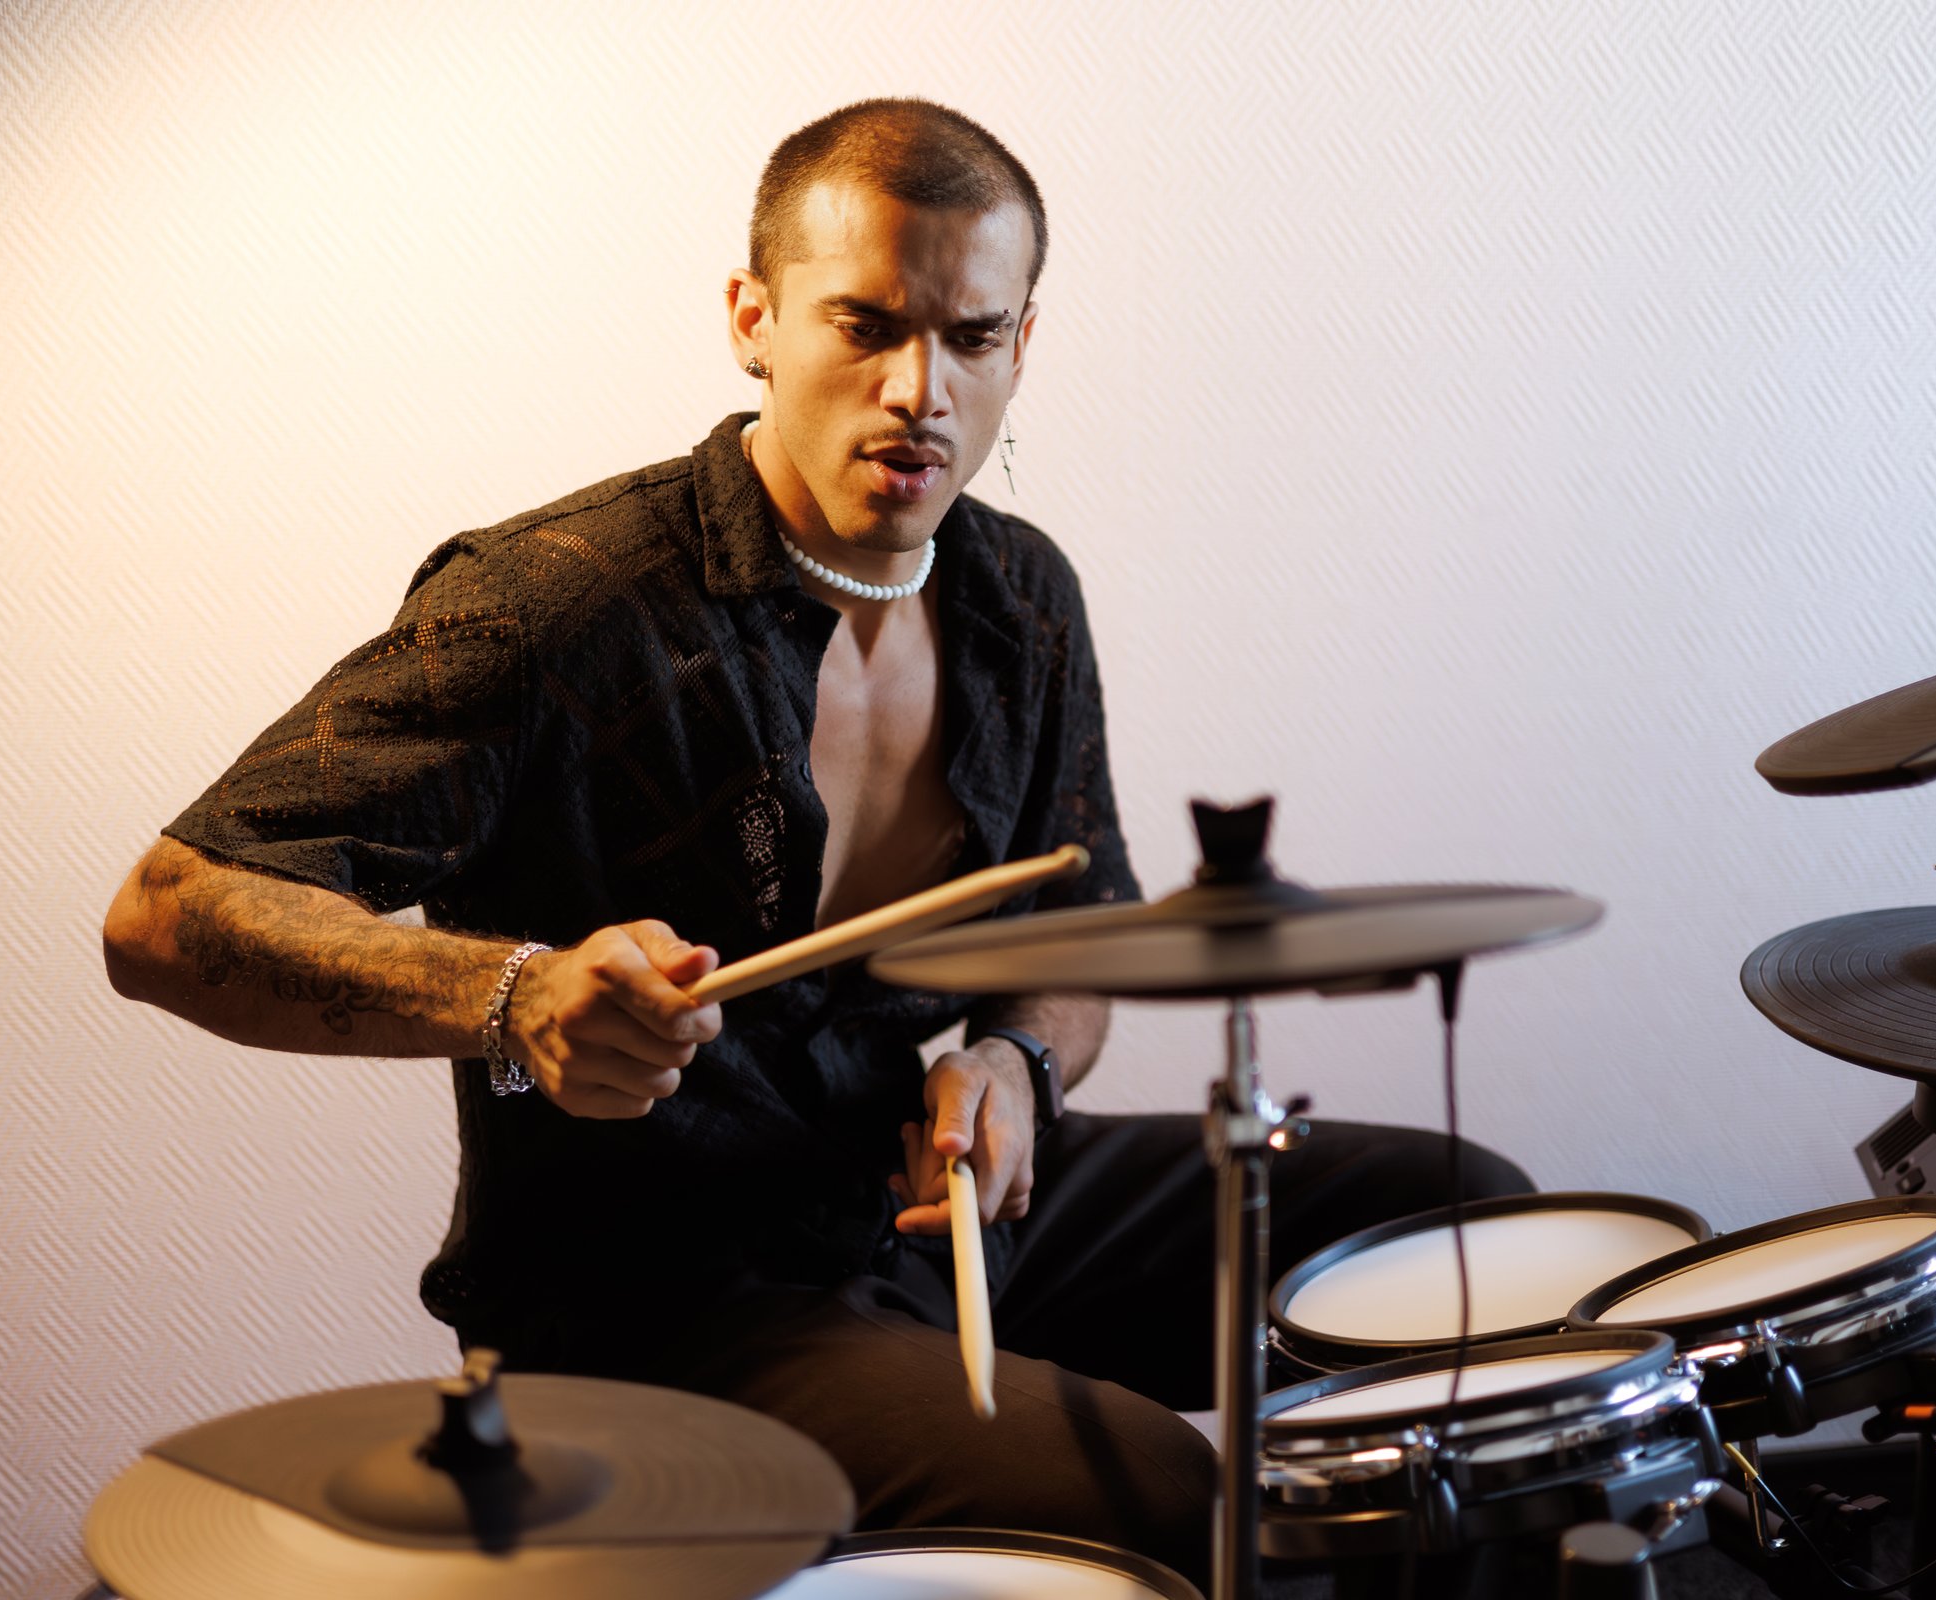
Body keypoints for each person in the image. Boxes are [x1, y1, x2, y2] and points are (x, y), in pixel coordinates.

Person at [101, 98, 1530, 1585]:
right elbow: (164, 910)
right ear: (752, 318)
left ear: (1021, 348)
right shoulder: (558, 607)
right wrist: (517, 995)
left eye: (971, 338)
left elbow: (1088, 922)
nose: (920, 388)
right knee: (1166, 1493)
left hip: (927, 1204)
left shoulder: (1021, 598)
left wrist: (1016, 1067)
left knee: (1459, 1228)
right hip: (669, 1301)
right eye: (866, 324)